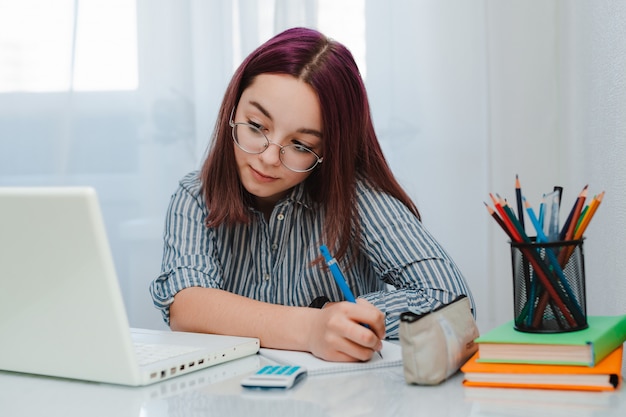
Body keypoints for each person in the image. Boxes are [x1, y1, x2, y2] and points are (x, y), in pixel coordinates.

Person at [149, 27, 474, 362]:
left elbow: (452, 300)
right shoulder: (195, 195)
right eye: (257, 126)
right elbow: (187, 307)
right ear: (233, 109)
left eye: (301, 145)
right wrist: (313, 326)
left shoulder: (356, 198)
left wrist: (346, 319)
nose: (269, 157)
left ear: (328, 151)